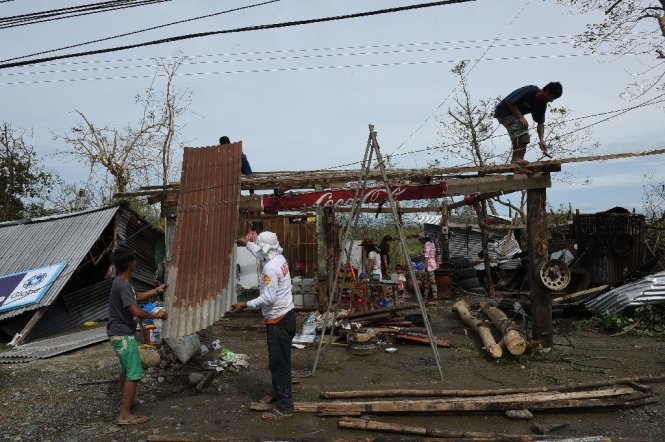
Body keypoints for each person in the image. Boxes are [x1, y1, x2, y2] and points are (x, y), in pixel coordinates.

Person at [231, 232, 296, 420]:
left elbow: (269, 298)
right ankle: (279, 393)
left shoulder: (269, 268)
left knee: (279, 363)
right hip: (287, 315)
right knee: (278, 360)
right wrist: (246, 244)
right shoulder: (279, 258)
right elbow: (260, 253)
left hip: (278, 321)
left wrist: (246, 304)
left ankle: (285, 406)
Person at [107, 247, 168, 426]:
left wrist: (156, 291)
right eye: (134, 260)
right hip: (122, 334)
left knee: (127, 369)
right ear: (130, 264)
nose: (136, 262)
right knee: (134, 372)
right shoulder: (123, 285)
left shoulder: (122, 282)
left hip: (119, 333)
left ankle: (129, 401)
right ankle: (124, 414)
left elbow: (135, 297)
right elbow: (135, 310)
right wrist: (157, 315)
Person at [494, 82, 563, 165]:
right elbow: (510, 102)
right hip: (503, 111)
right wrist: (520, 117)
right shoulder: (530, 90)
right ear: (547, 91)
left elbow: (540, 124)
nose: (551, 101)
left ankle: (519, 161)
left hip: (513, 115)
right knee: (521, 127)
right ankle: (516, 159)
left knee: (524, 132)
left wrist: (541, 140)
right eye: (552, 97)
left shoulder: (542, 105)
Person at [419, 233, 439, 305]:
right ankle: (425, 299)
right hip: (432, 264)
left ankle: (435, 300)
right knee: (427, 282)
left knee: (432, 282)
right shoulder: (432, 243)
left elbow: (426, 256)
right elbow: (436, 254)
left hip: (429, 265)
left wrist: (424, 267)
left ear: (423, 239)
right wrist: (437, 263)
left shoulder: (427, 244)